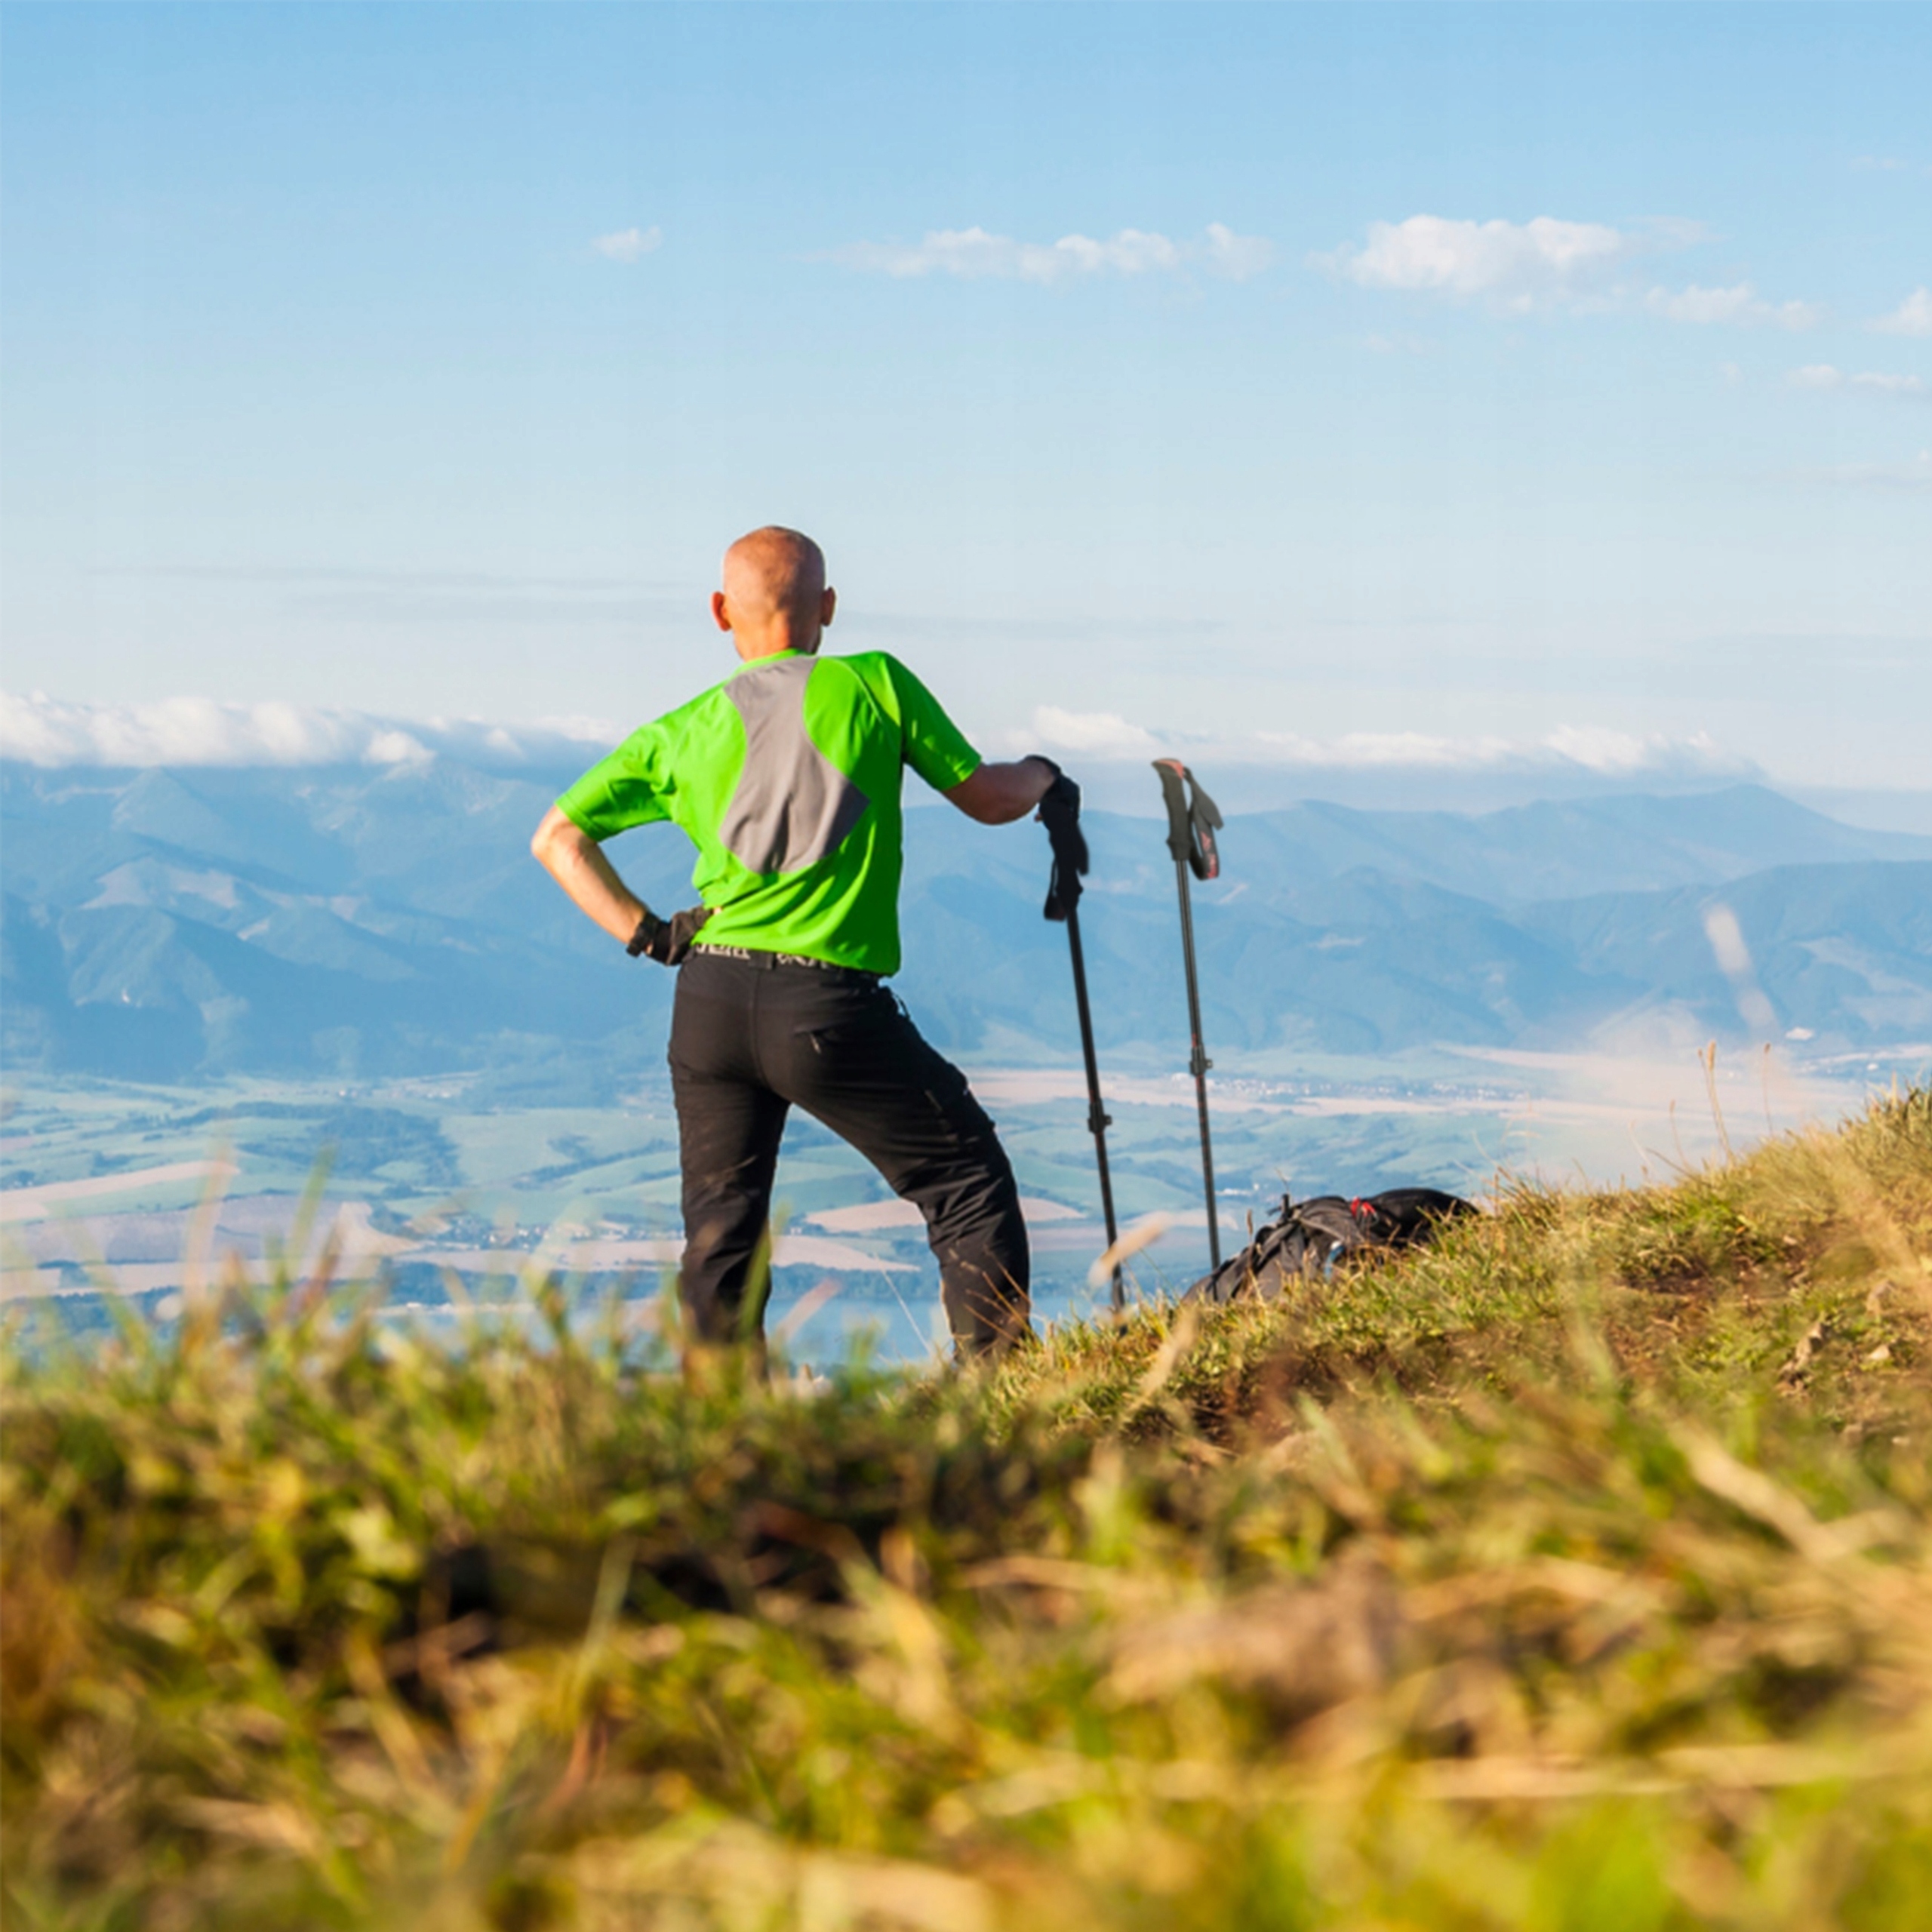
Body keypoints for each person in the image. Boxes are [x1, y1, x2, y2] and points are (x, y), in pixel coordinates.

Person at [531, 525, 1075, 1363]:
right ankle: (997, 1401)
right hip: (823, 1007)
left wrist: (648, 932)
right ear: (827, 607)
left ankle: (722, 1434)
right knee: (966, 1180)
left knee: (720, 1238)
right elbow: (990, 800)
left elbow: (558, 839)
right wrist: (1045, 775)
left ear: (720, 612)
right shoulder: (876, 685)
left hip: (706, 1002)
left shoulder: (681, 730)